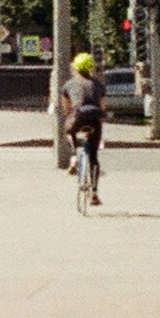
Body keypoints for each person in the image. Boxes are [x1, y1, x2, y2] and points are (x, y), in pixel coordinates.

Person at [61, 52, 106, 205]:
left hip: (78, 118)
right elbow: (103, 106)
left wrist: (70, 118)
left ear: (75, 68)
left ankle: (74, 156)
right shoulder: (98, 84)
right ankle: (94, 193)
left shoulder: (69, 85)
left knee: (69, 131)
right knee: (93, 156)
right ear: (91, 67)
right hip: (94, 119)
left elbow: (66, 109)